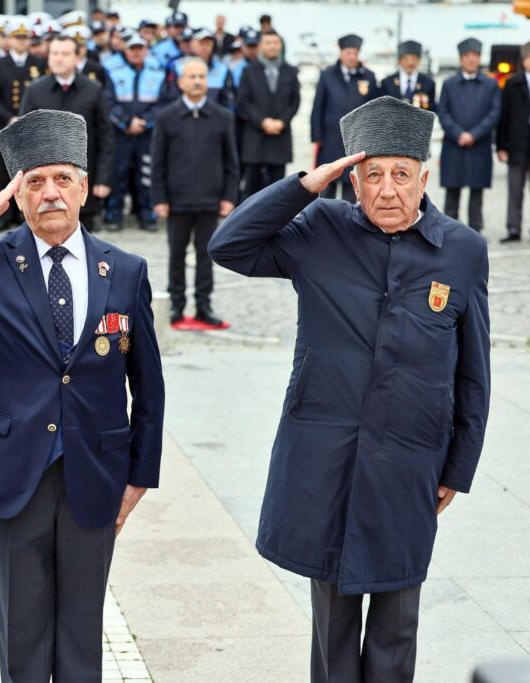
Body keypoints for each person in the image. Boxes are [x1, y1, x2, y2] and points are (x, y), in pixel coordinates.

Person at [210, 96, 490, 683]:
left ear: (424, 178)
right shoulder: (321, 228)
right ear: (353, 180)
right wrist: (304, 186)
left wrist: (456, 468)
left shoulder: (461, 249)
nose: (387, 190)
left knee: (396, 623)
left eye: (401, 175)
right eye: (372, 175)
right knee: (332, 624)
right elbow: (228, 245)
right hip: (325, 456)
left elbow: (473, 371)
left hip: (410, 458)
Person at [0, 108, 164, 681]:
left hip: (96, 465)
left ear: (85, 187)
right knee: (23, 629)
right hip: (15, 469)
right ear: (16, 195)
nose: (50, 193)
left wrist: (142, 474)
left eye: (63, 178)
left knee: (83, 630)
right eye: (33, 182)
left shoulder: (127, 269)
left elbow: (148, 380)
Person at [152, 58, 238, 328]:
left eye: (202, 76)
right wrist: (159, 198)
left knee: (206, 255)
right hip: (176, 200)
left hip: (210, 200)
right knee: (176, 254)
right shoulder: (166, 118)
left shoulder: (223, 117)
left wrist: (228, 196)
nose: (198, 81)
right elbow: (157, 162)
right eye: (192, 77)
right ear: (180, 82)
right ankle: (176, 306)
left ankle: (204, 305)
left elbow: (231, 163)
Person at [21, 34, 114, 232]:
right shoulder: (35, 90)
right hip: (44, 184)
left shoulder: (93, 89)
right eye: (54, 53)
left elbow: (106, 137)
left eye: (64, 54)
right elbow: (23, 138)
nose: (58, 58)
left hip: (82, 181)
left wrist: (105, 179)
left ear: (77, 58)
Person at [0, 19, 46, 231]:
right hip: (7, 126)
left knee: (30, 172)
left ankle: (24, 214)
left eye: (24, 38)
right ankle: (4, 214)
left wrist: (29, 118)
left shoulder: (37, 63)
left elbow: (42, 94)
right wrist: (9, 117)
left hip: (30, 127)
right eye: (17, 38)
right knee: (4, 173)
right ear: (9, 40)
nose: (21, 42)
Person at [104, 34, 166, 232]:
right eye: (133, 48)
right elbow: (108, 101)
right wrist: (126, 122)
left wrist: (145, 122)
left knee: (146, 174)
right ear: (125, 50)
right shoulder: (114, 72)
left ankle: (147, 214)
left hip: (147, 134)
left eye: (140, 48)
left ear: (146, 50)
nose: (137, 52)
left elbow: (164, 102)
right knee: (117, 173)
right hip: (121, 133)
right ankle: (114, 214)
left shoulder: (158, 73)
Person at [438, 38, 500, 234]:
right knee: (452, 191)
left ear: (479, 59)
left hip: (478, 145)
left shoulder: (490, 84)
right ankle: (449, 232)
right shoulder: (449, 84)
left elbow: (494, 113)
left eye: (475, 56)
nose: (471, 60)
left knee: (476, 191)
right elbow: (443, 112)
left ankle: (475, 232)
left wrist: (474, 134)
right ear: (461, 59)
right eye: (467, 56)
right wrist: (458, 134)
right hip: (454, 144)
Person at [310, 34, 377, 202]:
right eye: (348, 53)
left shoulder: (368, 76)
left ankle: (347, 226)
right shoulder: (327, 75)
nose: (352, 57)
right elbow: (318, 106)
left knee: (351, 190)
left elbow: (374, 110)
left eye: (355, 53)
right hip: (330, 140)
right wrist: (316, 136)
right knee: (327, 188)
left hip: (357, 142)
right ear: (341, 54)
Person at [236, 30, 300, 197]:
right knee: (251, 188)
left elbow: (295, 102)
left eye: (275, 42)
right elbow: (243, 102)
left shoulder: (290, 71)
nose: (272, 46)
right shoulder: (249, 71)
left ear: (281, 45)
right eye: (268, 42)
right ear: (260, 46)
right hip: (255, 137)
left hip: (280, 136)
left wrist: (282, 122)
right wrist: (263, 121)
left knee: (278, 190)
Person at [496, 41, 530, 243]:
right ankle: (513, 228)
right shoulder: (512, 83)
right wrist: (501, 146)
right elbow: (504, 117)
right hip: (517, 145)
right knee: (515, 190)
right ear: (523, 60)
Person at [379, 40, 435, 112]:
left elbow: (431, 109)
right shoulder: (387, 83)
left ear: (419, 60)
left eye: (414, 59)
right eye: (406, 59)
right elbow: (381, 108)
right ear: (399, 61)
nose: (410, 62)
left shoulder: (428, 83)